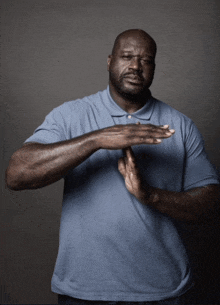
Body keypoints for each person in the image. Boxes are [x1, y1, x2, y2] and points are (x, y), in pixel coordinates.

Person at [6, 29, 219, 305]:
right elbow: (17, 174)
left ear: (154, 67)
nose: (135, 66)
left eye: (146, 60)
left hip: (163, 292)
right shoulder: (71, 115)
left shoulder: (180, 125)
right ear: (110, 61)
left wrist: (150, 195)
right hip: (83, 292)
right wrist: (96, 139)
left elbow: (211, 204)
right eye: (127, 56)